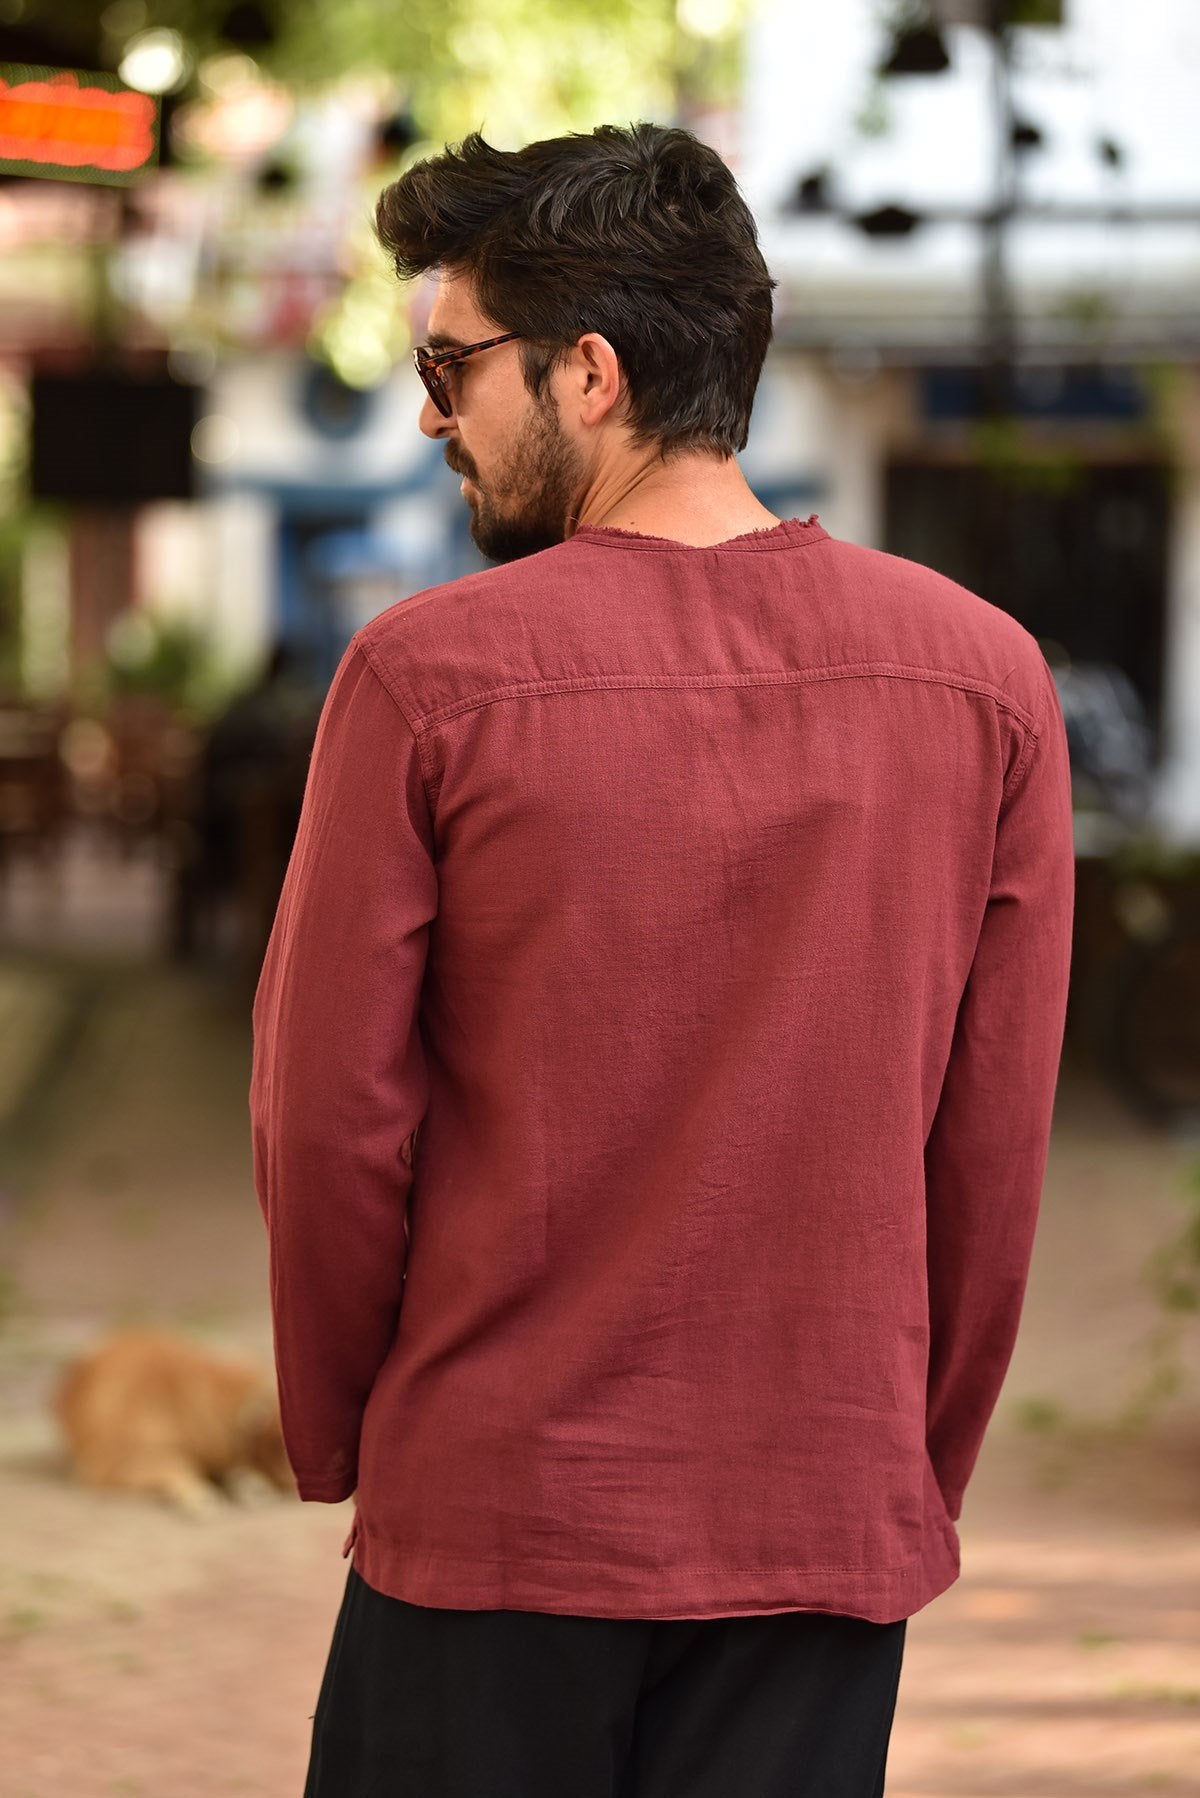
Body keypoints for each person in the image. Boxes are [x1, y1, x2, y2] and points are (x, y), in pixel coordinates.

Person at [248, 122, 1075, 1797]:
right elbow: (990, 1150)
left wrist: (348, 1431)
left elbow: (326, 1121)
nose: (430, 412)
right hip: (822, 1518)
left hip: (494, 1513)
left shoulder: (425, 678)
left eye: (451, 362)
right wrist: (904, 1467)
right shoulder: (988, 682)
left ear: (592, 374)